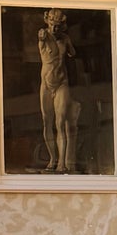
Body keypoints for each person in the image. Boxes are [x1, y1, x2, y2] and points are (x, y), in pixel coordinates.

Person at [36, 10, 80, 174]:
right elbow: (41, 37)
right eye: (52, 25)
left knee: (60, 122)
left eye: (57, 26)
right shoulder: (44, 36)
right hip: (46, 86)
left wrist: (68, 46)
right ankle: (52, 158)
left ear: (62, 26)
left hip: (61, 83)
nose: (54, 29)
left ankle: (62, 162)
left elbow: (73, 53)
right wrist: (42, 36)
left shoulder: (65, 39)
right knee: (47, 122)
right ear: (47, 22)